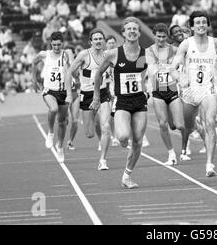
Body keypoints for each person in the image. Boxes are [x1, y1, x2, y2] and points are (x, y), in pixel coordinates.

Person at [90, 17, 148, 189]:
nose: (132, 31)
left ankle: (127, 176)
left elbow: (148, 72)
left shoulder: (146, 54)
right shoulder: (114, 54)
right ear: (123, 33)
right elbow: (98, 74)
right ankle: (123, 141)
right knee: (123, 137)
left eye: (135, 29)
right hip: (122, 101)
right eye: (128, 29)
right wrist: (96, 97)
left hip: (140, 101)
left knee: (137, 141)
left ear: (138, 32)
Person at [170, 11, 217, 177]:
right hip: (189, 91)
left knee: (210, 122)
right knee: (183, 126)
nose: (201, 25)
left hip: (207, 89)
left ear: (207, 24)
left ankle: (209, 165)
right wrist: (180, 77)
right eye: (197, 22)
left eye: (204, 22)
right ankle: (194, 126)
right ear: (191, 26)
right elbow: (173, 69)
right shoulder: (186, 44)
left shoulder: (215, 42)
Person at [66, 29, 112, 171]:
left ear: (103, 41)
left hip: (103, 93)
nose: (98, 41)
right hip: (87, 95)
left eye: (100, 38)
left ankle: (103, 160)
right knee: (89, 133)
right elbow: (69, 72)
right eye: (95, 39)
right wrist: (69, 93)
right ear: (90, 42)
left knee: (106, 127)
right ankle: (95, 123)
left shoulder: (108, 55)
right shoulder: (84, 55)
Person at [146, 23, 185, 166]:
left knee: (179, 125)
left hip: (173, 90)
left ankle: (185, 147)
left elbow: (187, 56)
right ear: (154, 35)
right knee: (162, 124)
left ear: (167, 37)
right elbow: (144, 70)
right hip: (158, 92)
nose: (161, 39)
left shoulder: (174, 50)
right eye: (158, 36)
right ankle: (171, 154)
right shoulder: (148, 51)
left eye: (163, 37)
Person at [32, 32, 73, 162]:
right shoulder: (45, 54)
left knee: (62, 121)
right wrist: (34, 80)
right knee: (53, 109)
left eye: (58, 45)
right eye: (54, 45)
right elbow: (33, 62)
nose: (56, 47)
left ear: (62, 44)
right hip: (50, 90)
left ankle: (60, 146)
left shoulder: (66, 54)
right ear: (51, 44)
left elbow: (72, 69)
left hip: (64, 91)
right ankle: (50, 133)